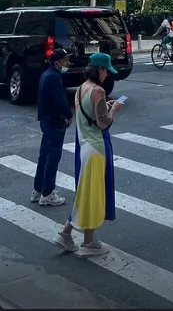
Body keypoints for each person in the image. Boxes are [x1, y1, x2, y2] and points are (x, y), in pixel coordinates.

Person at [53, 53, 123, 256]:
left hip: (85, 147)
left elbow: (90, 114)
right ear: (100, 69)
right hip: (96, 148)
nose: (107, 75)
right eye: (106, 71)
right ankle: (84, 241)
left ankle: (70, 235)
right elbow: (103, 123)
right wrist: (115, 109)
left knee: (86, 194)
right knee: (92, 195)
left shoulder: (81, 88)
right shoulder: (99, 91)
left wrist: (105, 107)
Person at [31, 48, 73, 207]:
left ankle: (38, 190)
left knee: (44, 156)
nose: (68, 63)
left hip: (46, 120)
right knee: (53, 157)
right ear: (57, 63)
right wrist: (68, 114)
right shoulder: (54, 77)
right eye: (65, 60)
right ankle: (47, 193)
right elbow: (60, 100)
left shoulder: (46, 74)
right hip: (55, 121)